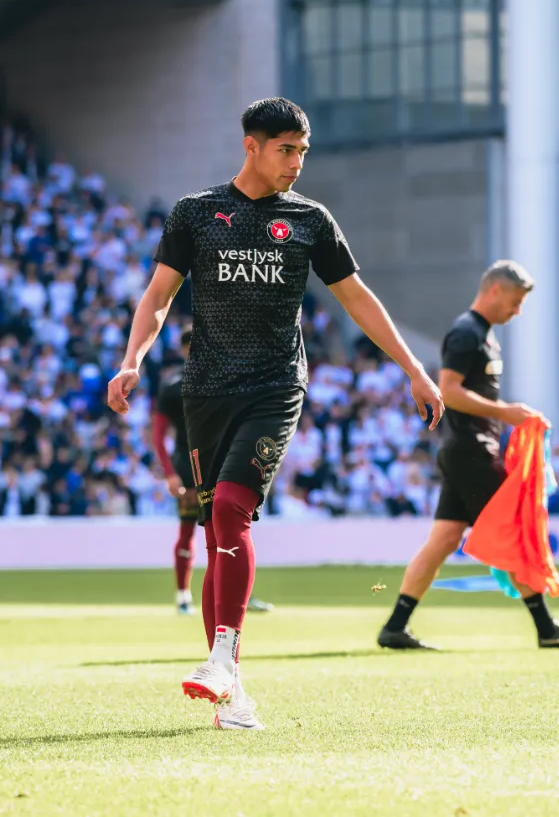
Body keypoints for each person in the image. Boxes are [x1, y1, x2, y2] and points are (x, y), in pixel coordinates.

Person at [108, 97, 443, 730]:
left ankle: (223, 661)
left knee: (233, 509)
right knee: (215, 533)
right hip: (205, 391)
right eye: (286, 149)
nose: (297, 163)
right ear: (252, 146)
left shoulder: (310, 220)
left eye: (303, 151)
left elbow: (357, 298)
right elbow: (157, 295)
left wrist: (414, 369)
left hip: (275, 388)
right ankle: (232, 695)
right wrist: (132, 359)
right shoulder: (196, 214)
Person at [378, 260, 559, 651]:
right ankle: (547, 628)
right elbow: (449, 390)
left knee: (443, 539)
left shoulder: (485, 335)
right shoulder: (466, 333)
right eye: (515, 301)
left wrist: (505, 414)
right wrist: (505, 412)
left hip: (464, 450)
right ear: (495, 290)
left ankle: (394, 626)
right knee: (510, 532)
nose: (517, 311)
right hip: (472, 451)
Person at [152, 331, 275, 616]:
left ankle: (239, 593)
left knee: (232, 529)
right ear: (184, 350)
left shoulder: (226, 378)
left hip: (225, 463)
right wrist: (170, 474)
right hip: (189, 467)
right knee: (189, 531)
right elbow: (158, 435)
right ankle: (183, 595)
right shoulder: (172, 387)